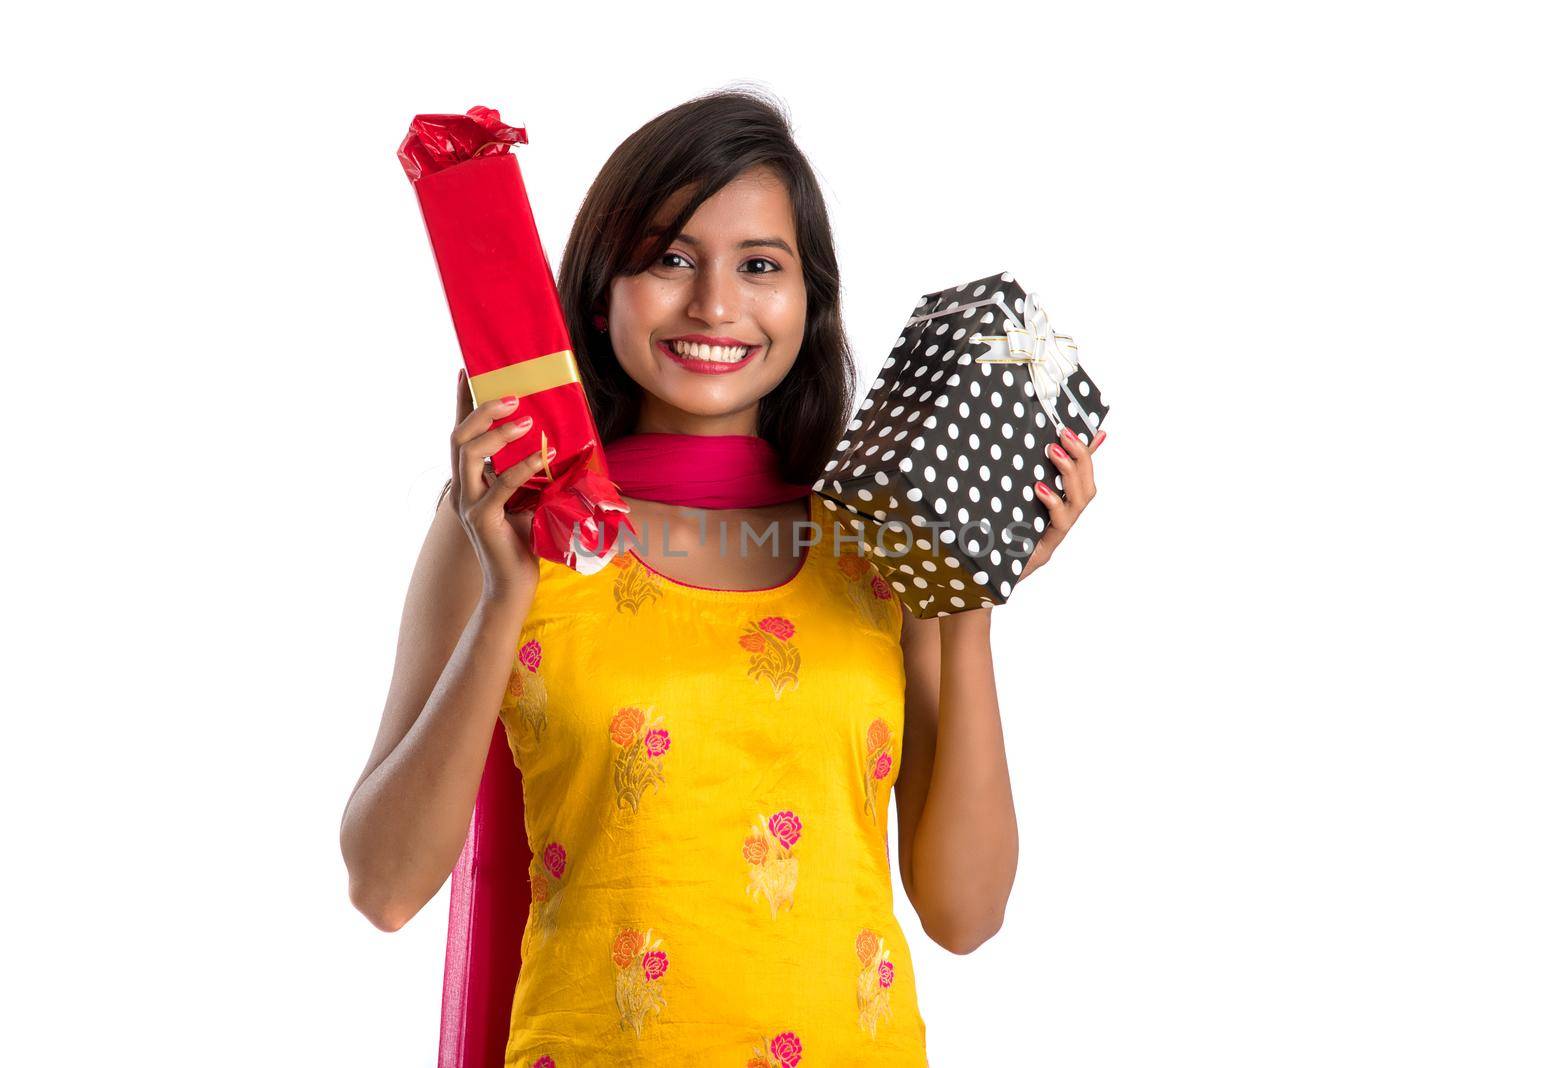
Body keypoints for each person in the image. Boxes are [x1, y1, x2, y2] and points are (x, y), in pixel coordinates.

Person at [340, 87, 1103, 1068]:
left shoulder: (873, 548)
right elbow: (383, 887)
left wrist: (967, 593)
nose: (714, 305)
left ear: (807, 299)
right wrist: (504, 598)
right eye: (668, 259)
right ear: (600, 288)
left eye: (759, 267)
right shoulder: (515, 525)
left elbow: (965, 914)